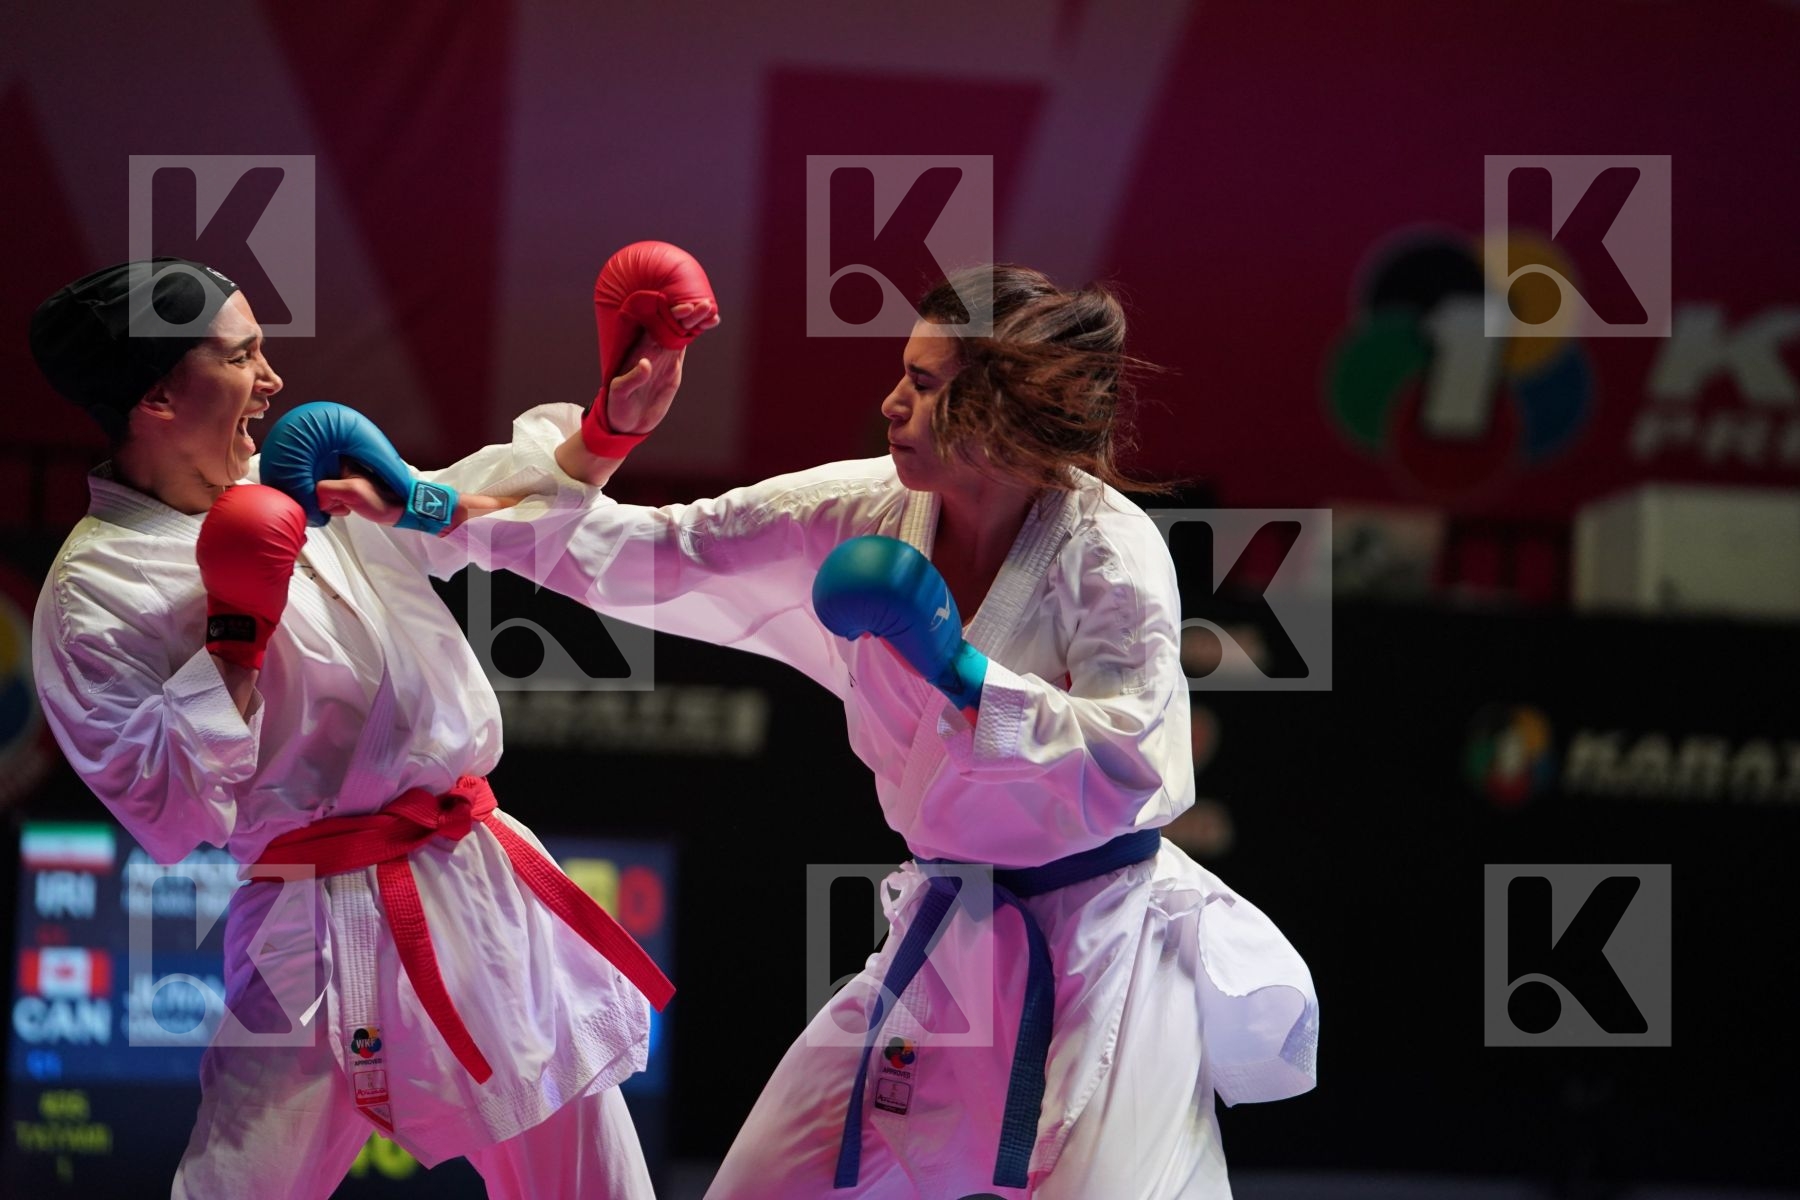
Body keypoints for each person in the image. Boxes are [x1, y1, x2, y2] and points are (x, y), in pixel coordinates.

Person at [458, 264, 1322, 1198]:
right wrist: (443, 500)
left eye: (923, 382)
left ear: (1001, 414)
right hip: (950, 939)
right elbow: (667, 550)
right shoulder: (860, 509)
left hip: (1099, 957)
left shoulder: (1108, 552)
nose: (890, 401)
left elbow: (1128, 764)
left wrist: (963, 672)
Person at [27, 255, 714, 1199]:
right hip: (307, 927)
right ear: (156, 394)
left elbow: (474, 514)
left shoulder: (303, 474)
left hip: (474, 886)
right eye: (242, 357)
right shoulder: (91, 595)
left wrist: (605, 428)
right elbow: (170, 814)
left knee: (594, 1185)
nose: (272, 381)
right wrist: (237, 637)